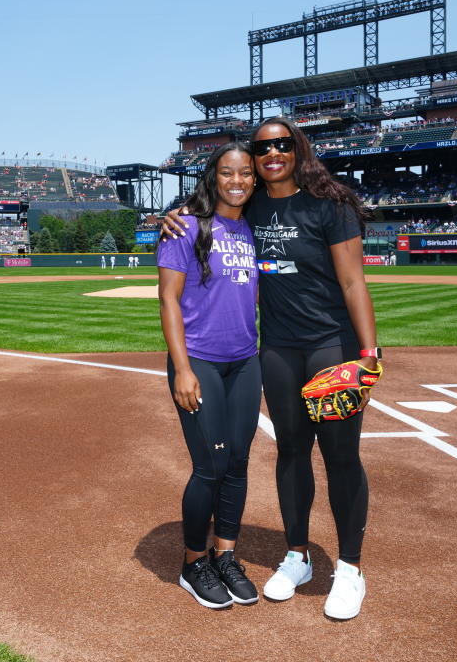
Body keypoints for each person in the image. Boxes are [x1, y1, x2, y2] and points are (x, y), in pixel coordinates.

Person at [162, 116, 382, 621]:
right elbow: (206, 211)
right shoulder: (251, 204)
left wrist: (368, 355)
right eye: (264, 149)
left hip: (331, 344)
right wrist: (169, 216)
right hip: (279, 350)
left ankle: (349, 568)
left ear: (297, 148)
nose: (272, 154)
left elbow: (353, 283)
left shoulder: (332, 205)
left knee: (341, 456)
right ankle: (297, 554)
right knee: (291, 452)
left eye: (283, 145)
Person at [158, 142, 260, 609]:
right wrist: (181, 368)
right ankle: (193, 563)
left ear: (254, 180)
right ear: (213, 177)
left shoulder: (256, 228)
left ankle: (226, 555)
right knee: (210, 467)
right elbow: (168, 301)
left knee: (238, 464)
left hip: (245, 360)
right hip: (199, 359)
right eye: (227, 173)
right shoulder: (185, 227)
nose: (236, 181)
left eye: (244, 173)